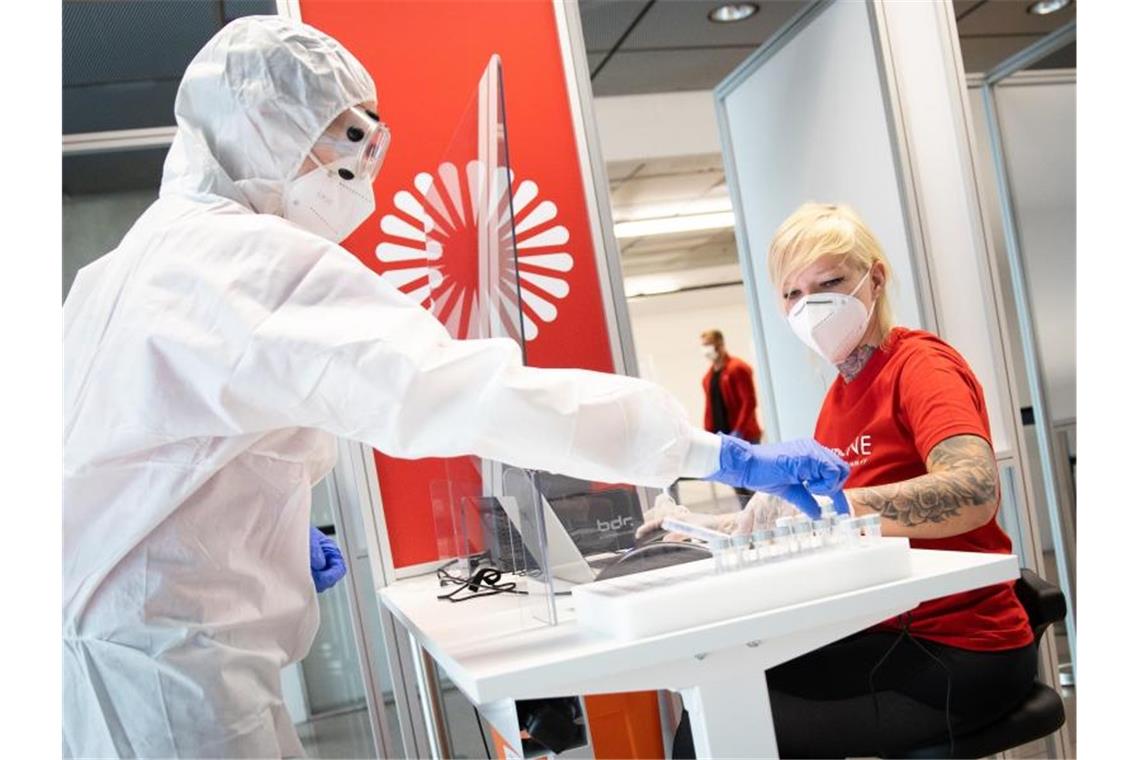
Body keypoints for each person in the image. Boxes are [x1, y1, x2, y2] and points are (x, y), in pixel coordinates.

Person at [62, 17, 850, 759]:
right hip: (168, 682)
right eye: (345, 139)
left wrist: (238, 529)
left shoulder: (122, 270)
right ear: (259, 127)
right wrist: (704, 451)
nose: (358, 171)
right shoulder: (243, 261)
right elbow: (459, 392)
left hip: (110, 655)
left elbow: (136, 459)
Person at [672, 203, 1037, 758]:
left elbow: (974, 490)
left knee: (724, 735)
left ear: (876, 278)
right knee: (715, 704)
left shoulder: (920, 366)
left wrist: (832, 500)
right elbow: (823, 514)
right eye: (792, 293)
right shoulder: (837, 400)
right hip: (884, 631)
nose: (809, 305)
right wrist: (709, 524)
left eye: (830, 282)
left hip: (961, 643)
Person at [701, 329, 763, 506]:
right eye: (703, 345)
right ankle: (748, 516)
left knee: (752, 479)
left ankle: (764, 514)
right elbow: (709, 408)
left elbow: (748, 402)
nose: (705, 349)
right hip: (723, 438)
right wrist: (708, 434)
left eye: (708, 344)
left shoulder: (738, 368)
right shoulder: (708, 377)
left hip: (744, 435)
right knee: (736, 482)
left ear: (719, 344)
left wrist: (740, 430)